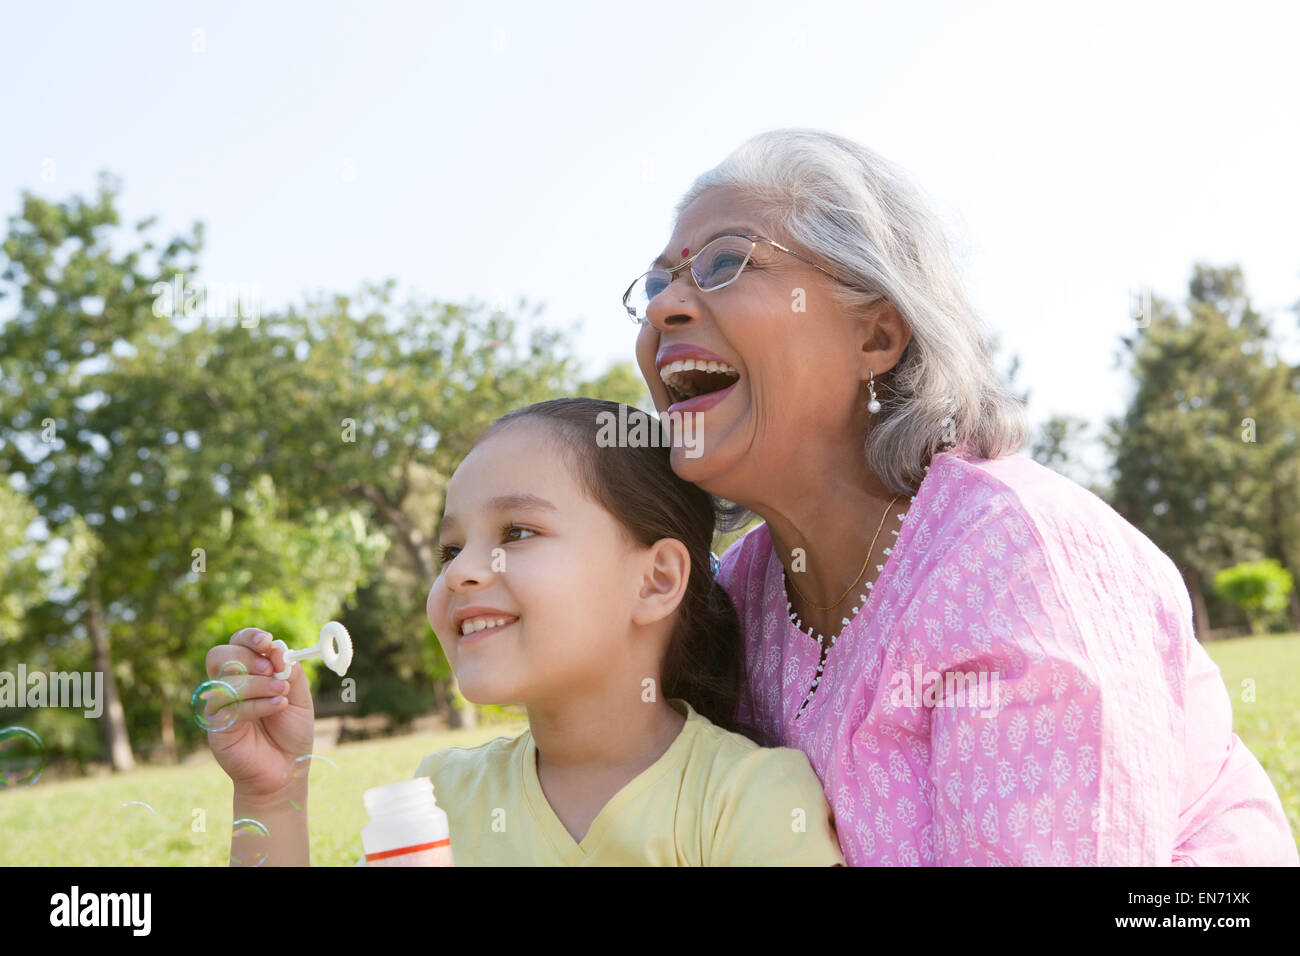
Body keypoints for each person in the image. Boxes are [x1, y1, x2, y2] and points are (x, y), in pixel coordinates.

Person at [628, 127, 1298, 865]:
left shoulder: (1017, 559)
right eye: (658, 284)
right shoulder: (738, 589)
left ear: (877, 336)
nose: (665, 309)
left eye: (725, 263)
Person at [205, 397, 844, 866]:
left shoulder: (747, 800)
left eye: (517, 533)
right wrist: (272, 792)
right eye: (449, 549)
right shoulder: (442, 797)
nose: (460, 574)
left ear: (653, 582)